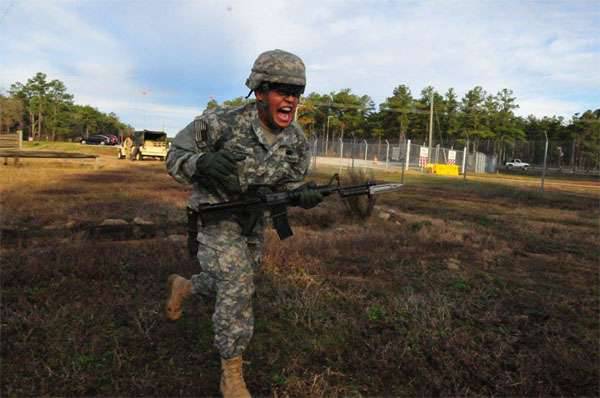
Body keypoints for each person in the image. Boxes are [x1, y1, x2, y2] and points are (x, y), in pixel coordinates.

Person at [165, 49, 323, 398]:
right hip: (215, 217)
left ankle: (186, 286)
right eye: (282, 90)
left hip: (253, 222)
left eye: (297, 92)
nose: (290, 100)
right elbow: (174, 156)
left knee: (232, 280)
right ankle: (232, 372)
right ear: (261, 91)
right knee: (237, 284)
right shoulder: (221, 122)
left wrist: (302, 195)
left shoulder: (296, 140)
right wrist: (202, 163)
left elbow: (289, 183)